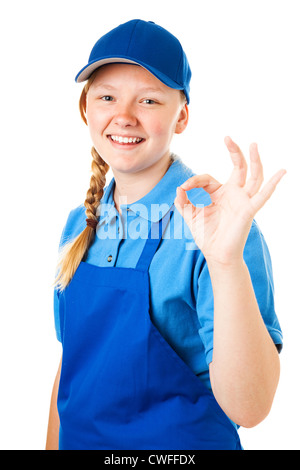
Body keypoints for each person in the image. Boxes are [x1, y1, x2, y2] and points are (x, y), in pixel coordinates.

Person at [46, 19, 285, 450]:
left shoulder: (219, 228)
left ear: (182, 117)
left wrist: (225, 262)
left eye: (149, 100)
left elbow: (250, 409)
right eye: (107, 97)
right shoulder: (78, 224)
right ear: (87, 109)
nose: (124, 116)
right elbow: (72, 369)